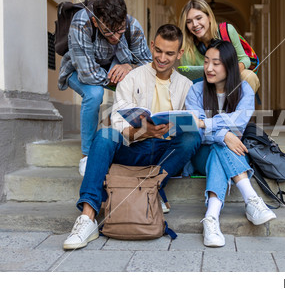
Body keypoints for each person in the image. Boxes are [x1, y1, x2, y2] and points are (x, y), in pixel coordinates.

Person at [63, 24, 201, 250]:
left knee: (191, 138)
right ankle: (87, 218)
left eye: (169, 54)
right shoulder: (133, 78)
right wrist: (143, 132)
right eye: (158, 51)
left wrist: (175, 127)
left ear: (179, 54)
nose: (162, 58)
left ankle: (153, 186)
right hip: (135, 148)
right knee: (105, 134)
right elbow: (117, 121)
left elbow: (194, 122)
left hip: (166, 155)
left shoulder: (187, 86)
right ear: (152, 46)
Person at [185, 40, 275, 247]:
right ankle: (251, 200)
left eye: (216, 63)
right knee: (222, 143)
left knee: (221, 146)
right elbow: (195, 130)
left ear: (229, 65)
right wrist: (224, 134)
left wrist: (216, 130)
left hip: (226, 151)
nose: (209, 68)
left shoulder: (244, 90)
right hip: (201, 153)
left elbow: (237, 126)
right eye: (207, 61)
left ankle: (211, 217)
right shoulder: (196, 90)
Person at [58, 0, 152, 176]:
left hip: (113, 68)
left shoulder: (132, 26)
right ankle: (87, 155)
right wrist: (120, 76)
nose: (116, 37)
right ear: (95, 22)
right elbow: (88, 73)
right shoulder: (81, 23)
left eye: (119, 30)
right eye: (108, 31)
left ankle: (135, 144)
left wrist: (129, 68)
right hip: (78, 70)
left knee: (141, 87)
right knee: (94, 94)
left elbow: (147, 65)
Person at [178, 0, 260, 93]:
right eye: (189, 21)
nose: (195, 24)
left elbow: (245, 59)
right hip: (203, 86)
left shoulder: (227, 31)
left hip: (230, 80)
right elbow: (188, 79)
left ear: (209, 17)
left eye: (199, 18)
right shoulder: (186, 45)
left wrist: (230, 74)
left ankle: (243, 107)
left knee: (249, 76)